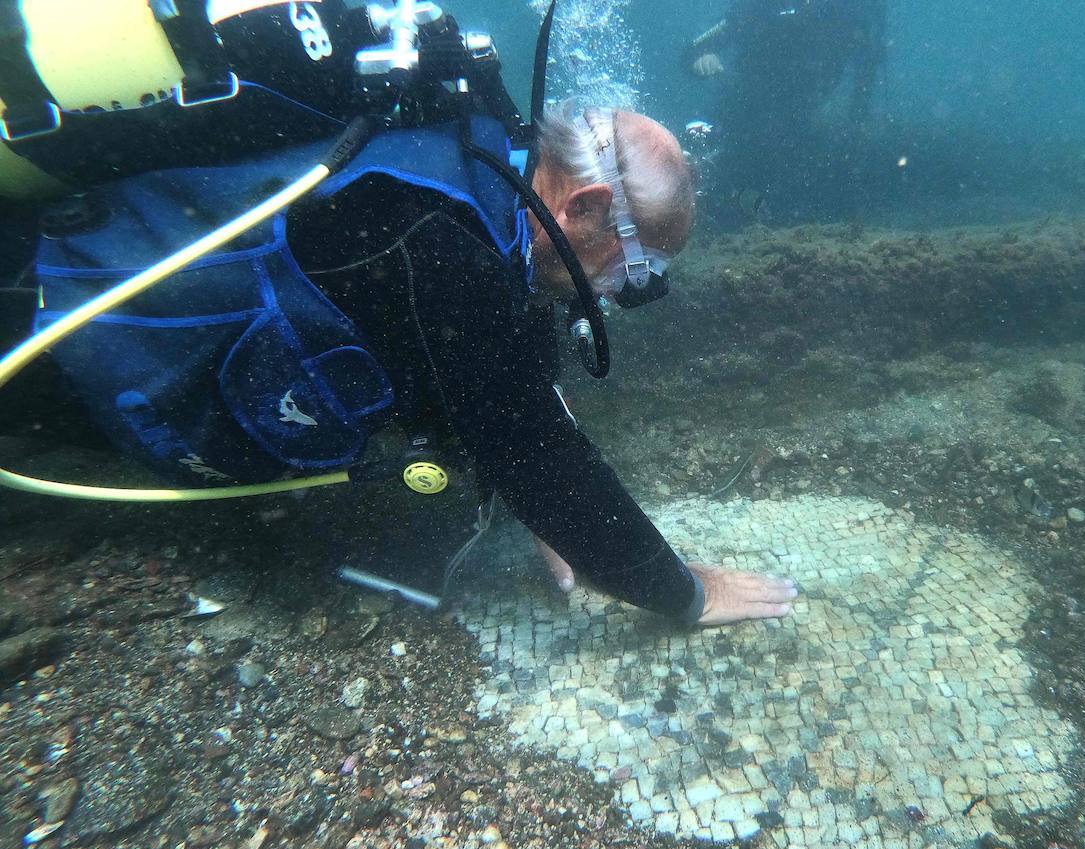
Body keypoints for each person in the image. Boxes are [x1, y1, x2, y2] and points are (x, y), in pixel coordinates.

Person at [0, 0, 796, 629]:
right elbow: (530, 445)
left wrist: (538, 503)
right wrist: (683, 591)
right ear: (586, 205)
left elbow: (506, 386)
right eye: (640, 266)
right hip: (68, 327)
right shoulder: (445, 248)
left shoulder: (474, 153)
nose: (628, 294)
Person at [682, 0, 888, 222]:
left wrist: (857, 121)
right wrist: (702, 58)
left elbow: (867, 66)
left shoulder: (845, 17)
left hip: (801, 115)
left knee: (806, 178)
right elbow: (695, 49)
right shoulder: (757, 9)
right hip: (747, 113)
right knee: (732, 178)